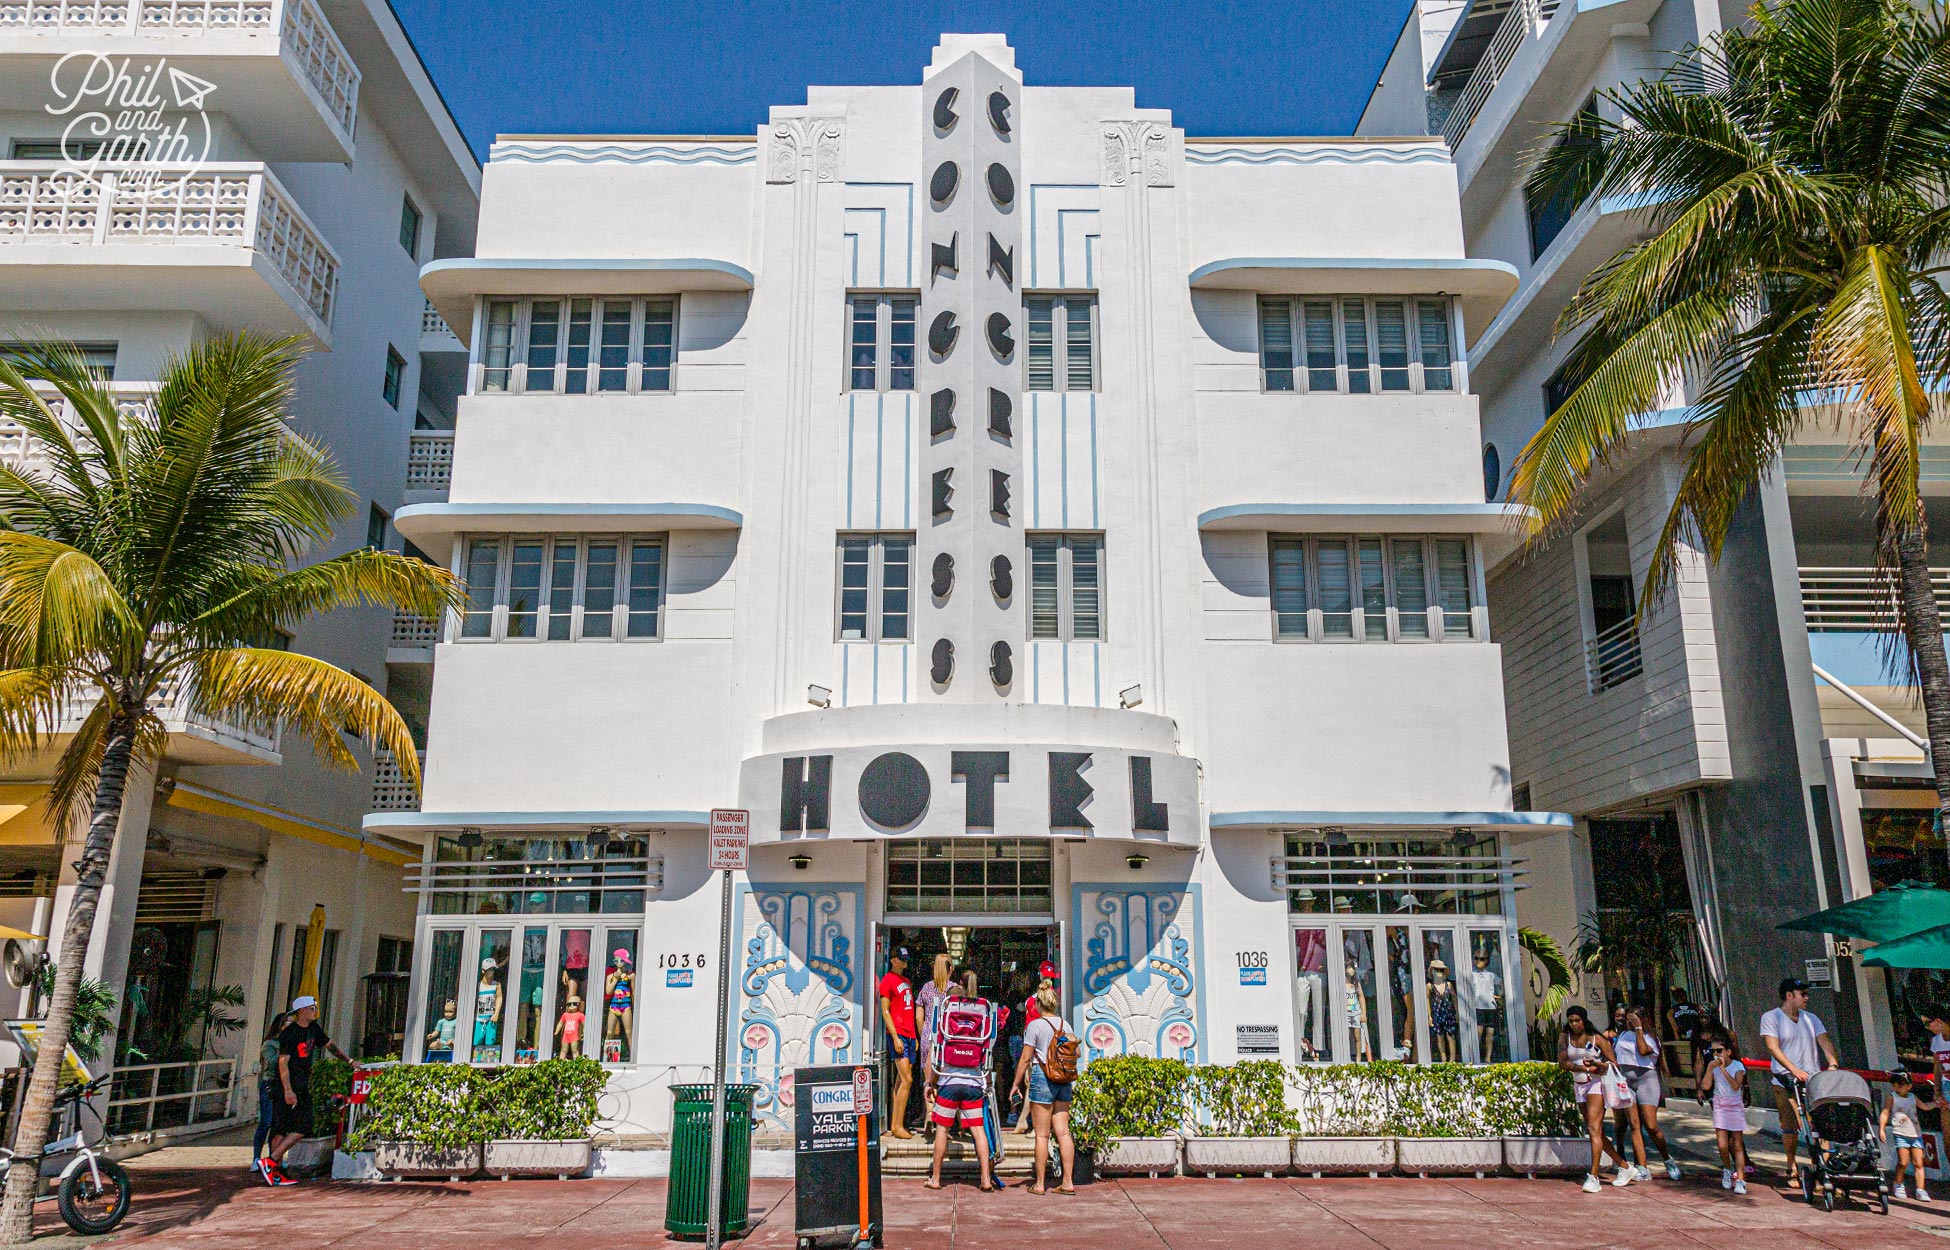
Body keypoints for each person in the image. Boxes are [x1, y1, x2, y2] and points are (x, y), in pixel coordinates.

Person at [1761, 976, 1841, 1192]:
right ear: (1789, 996)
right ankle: (1792, 1166)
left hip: (1813, 1080)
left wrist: (1832, 1064)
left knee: (1820, 1126)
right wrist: (1793, 1069)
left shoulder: (1811, 1019)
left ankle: (1825, 1170)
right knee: (1790, 1127)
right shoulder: (1772, 1017)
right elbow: (1773, 1047)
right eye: (1802, 994)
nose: (1807, 998)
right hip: (1786, 1080)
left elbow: (1825, 1042)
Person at [265, 995, 350, 1186]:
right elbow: (283, 1062)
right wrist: (287, 1090)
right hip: (287, 1087)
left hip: (302, 1086)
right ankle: (272, 1165)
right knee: (287, 1127)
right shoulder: (289, 1033)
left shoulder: (313, 1030)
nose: (314, 1011)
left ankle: (272, 1167)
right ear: (302, 1011)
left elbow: (331, 1046)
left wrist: (350, 1061)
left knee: (299, 1126)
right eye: (312, 1008)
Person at [925, 977, 999, 1192]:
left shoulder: (944, 1022)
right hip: (973, 1082)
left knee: (942, 1130)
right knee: (978, 1131)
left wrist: (929, 1082)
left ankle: (936, 1179)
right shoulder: (979, 1020)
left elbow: (933, 1056)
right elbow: (987, 1052)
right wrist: (987, 1081)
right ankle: (985, 1179)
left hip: (949, 1081)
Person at [1560, 1005, 1636, 1193]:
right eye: (1571, 1021)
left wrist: (1597, 1065)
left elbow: (1613, 1063)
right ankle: (1625, 1167)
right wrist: (1585, 1068)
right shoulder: (1565, 1037)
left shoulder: (1598, 1038)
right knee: (1596, 1132)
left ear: (1584, 1020)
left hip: (1596, 1085)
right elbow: (1563, 1063)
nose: (1574, 1024)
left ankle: (1593, 1177)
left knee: (1594, 1129)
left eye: (1577, 1020)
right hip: (1579, 1085)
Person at [1011, 982, 1076, 1195]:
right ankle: (1067, 1181)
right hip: (1064, 1079)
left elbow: (1025, 1058)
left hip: (1042, 1077)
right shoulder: (1065, 1025)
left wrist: (1016, 1083)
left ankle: (1039, 1184)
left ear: (1039, 1003)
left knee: (1041, 1135)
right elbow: (1076, 1054)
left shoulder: (1035, 1026)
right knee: (1063, 1132)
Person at [1615, 1004, 1678, 1180]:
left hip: (1646, 1080)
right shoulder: (1623, 1035)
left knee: (1651, 1126)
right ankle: (1642, 1167)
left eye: (1632, 1019)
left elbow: (1643, 1051)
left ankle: (1667, 1158)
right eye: (1628, 1019)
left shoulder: (1650, 1038)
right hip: (1627, 1080)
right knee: (1634, 1125)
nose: (1628, 1022)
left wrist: (1638, 1029)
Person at [1699, 1030, 1749, 1194]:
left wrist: (1723, 1070)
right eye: (1713, 1051)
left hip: (1734, 1105)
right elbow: (1706, 1086)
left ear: (1728, 1052)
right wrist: (1710, 1069)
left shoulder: (1737, 1066)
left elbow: (1736, 1086)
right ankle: (1727, 1169)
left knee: (1737, 1143)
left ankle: (1740, 1179)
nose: (1716, 1054)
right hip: (1720, 1104)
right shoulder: (1712, 1066)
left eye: (1719, 1050)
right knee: (1722, 1144)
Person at [879, 947, 919, 1140]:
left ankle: (896, 1122)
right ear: (894, 960)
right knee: (907, 1080)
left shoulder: (907, 982)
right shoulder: (888, 980)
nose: (905, 963)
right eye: (901, 959)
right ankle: (898, 1125)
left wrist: (915, 1037)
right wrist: (895, 1036)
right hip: (899, 1033)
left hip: (909, 1034)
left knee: (900, 1080)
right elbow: (885, 1010)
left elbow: (908, 1010)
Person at [1883, 1068, 1937, 1202]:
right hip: (1900, 1133)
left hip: (1916, 1133)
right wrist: (1881, 1128)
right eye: (1895, 1084)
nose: (1897, 1087)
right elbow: (1886, 1112)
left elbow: (1924, 1106)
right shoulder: (1892, 1097)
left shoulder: (1913, 1097)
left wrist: (1936, 1104)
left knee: (1919, 1162)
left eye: (1901, 1084)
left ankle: (1920, 1189)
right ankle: (1898, 1183)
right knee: (1903, 1162)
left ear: (1909, 1086)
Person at [251, 1011, 288, 1182]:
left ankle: (273, 1158)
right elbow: (271, 1061)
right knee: (266, 1121)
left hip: (282, 1086)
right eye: (287, 1023)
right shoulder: (270, 1044)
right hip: (269, 1085)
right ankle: (256, 1158)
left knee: (278, 1124)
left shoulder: (287, 1042)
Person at [1470, 950, 1504, 1060]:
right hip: (1477, 1006)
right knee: (1479, 1031)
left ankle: (1487, 1057)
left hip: (1490, 1007)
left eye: (1482, 958)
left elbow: (1502, 984)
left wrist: (1499, 996)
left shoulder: (1491, 975)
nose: (1479, 961)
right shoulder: (1471, 974)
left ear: (1487, 960)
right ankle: (1476, 1056)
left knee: (1490, 1033)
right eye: (1476, 958)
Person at [1426, 958, 1459, 1062]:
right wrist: (1429, 1016)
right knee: (1439, 1036)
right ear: (1432, 971)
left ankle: (1452, 1059)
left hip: (1448, 1012)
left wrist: (1457, 1013)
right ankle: (1443, 1058)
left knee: (1450, 1036)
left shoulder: (1448, 985)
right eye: (1436, 969)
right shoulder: (1430, 986)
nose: (1439, 972)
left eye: (1441, 970)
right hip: (1437, 1013)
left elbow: (1454, 999)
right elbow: (1427, 1000)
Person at [425, 998, 458, 1062]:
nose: (447, 1014)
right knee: (432, 1045)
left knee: (453, 1045)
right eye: (446, 1012)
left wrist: (453, 1040)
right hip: (442, 1041)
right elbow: (437, 1031)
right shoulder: (441, 1021)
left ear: (455, 1013)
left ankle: (449, 1045)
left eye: (450, 1012)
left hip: (451, 1040)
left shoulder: (456, 1021)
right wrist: (431, 1035)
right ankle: (440, 1045)